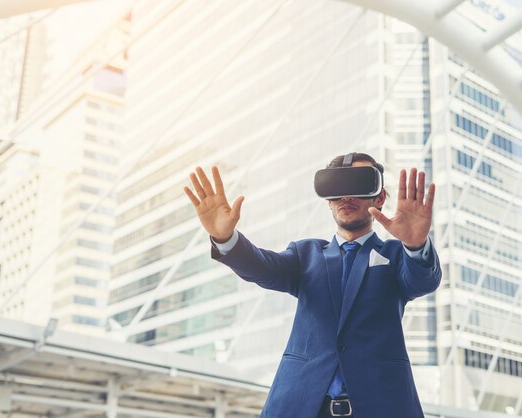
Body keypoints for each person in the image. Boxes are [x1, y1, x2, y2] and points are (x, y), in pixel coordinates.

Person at [183, 152, 441, 418]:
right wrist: (225, 238)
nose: (346, 196)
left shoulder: (397, 255)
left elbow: (423, 280)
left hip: (381, 407)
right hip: (301, 407)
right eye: (337, 188)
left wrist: (416, 245)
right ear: (328, 201)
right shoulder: (305, 254)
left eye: (359, 185)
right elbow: (261, 266)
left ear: (380, 197)